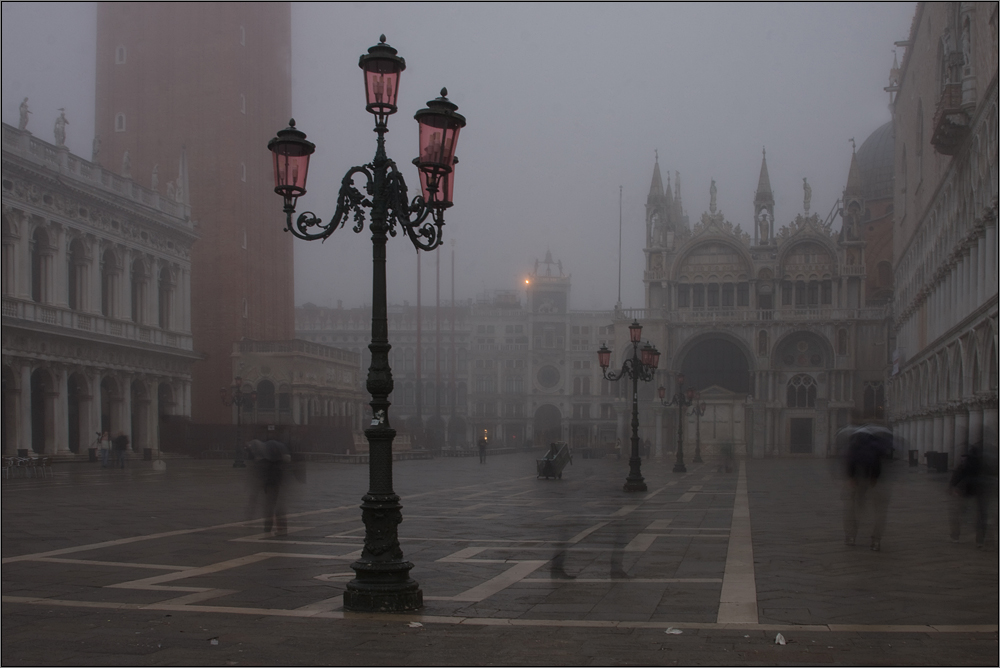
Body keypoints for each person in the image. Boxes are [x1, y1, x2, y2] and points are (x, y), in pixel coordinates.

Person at [843, 424, 893, 551]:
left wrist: (851, 477)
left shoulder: (854, 444)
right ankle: (876, 541)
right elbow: (882, 459)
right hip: (875, 481)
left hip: (858, 479)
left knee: (852, 509)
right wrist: (875, 476)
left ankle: (851, 536)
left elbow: (850, 460)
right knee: (879, 512)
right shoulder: (877, 444)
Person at [949, 446, 988, 548]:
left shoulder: (965, 463)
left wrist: (952, 486)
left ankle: (955, 536)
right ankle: (980, 540)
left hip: (964, 491)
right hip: (978, 492)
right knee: (980, 516)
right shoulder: (982, 464)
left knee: (957, 514)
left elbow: (957, 475)